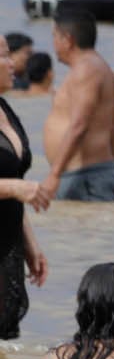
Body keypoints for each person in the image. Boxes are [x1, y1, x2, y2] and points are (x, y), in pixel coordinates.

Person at [35, 10, 114, 204]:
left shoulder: (86, 69)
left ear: (68, 40)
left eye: (54, 36)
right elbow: (113, 127)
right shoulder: (95, 66)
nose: (53, 43)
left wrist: (54, 174)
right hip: (89, 174)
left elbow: (79, 125)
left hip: (84, 178)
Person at [0, 47, 48, 337]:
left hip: (8, 244)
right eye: (4, 55)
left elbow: (15, 181)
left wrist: (30, 243)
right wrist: (15, 187)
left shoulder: (4, 108)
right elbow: (15, 186)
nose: (13, 63)